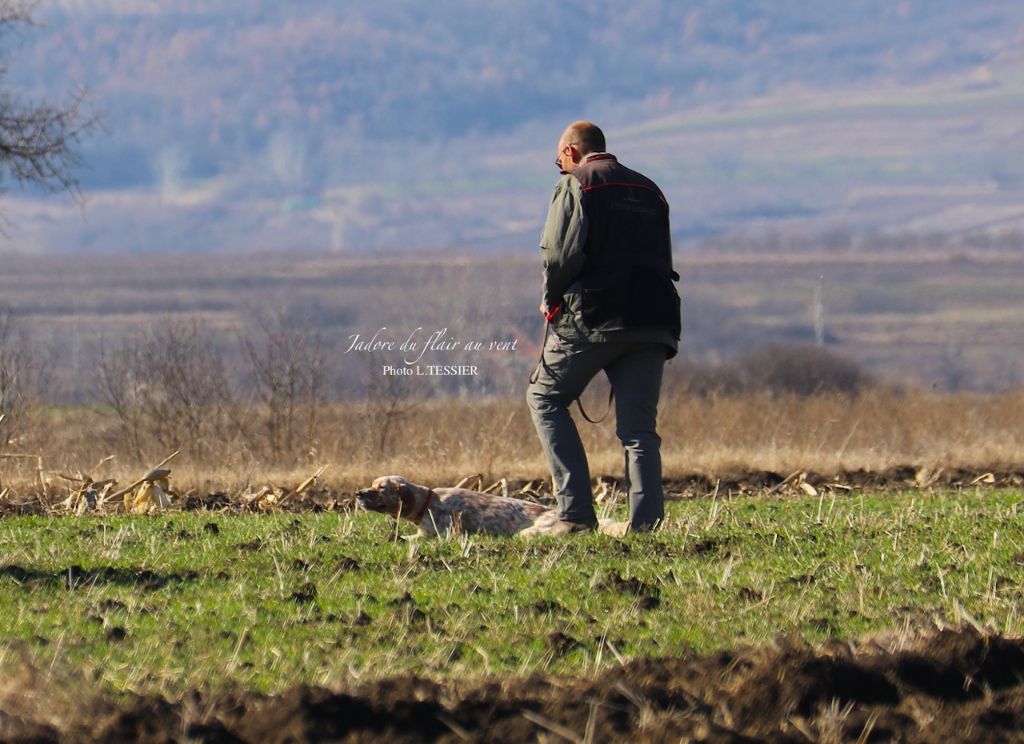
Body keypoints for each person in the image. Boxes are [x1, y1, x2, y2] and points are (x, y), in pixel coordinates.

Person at [526, 121, 680, 535]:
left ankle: (575, 514)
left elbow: (559, 254)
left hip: (592, 317)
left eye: (558, 160)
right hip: (654, 320)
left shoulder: (576, 184)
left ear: (572, 153)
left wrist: (551, 299)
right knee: (639, 430)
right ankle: (647, 526)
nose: (559, 167)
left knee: (544, 397)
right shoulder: (651, 190)